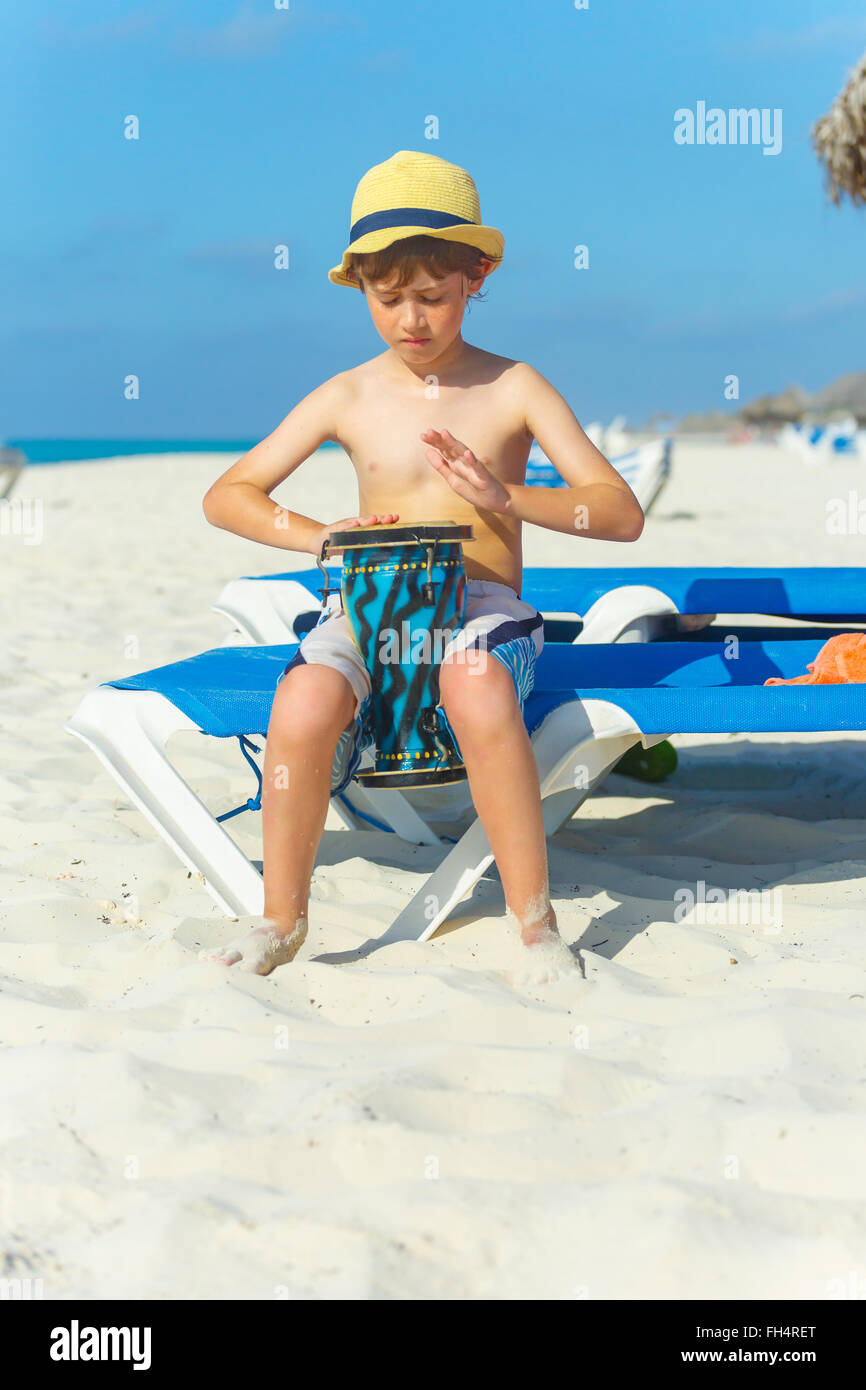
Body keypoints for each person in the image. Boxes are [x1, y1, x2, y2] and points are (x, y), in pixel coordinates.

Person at [200, 149, 643, 976]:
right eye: (388, 297)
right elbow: (229, 494)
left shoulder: (514, 387)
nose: (411, 319)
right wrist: (319, 536)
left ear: (476, 277)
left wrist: (506, 496)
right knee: (300, 702)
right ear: (360, 286)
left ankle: (534, 925)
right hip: (367, 610)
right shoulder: (349, 395)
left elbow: (620, 514)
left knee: (473, 683)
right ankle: (281, 918)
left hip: (481, 612)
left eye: (432, 297)